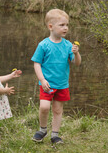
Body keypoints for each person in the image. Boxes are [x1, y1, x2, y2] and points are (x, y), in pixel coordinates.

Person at [31, 9, 81, 144]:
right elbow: (37, 64)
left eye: (67, 25)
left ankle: (55, 135)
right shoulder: (43, 45)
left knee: (58, 110)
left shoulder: (68, 45)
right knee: (45, 107)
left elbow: (76, 63)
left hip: (62, 84)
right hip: (47, 84)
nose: (65, 28)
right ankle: (42, 130)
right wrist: (42, 79)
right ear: (50, 27)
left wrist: (76, 54)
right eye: (62, 25)